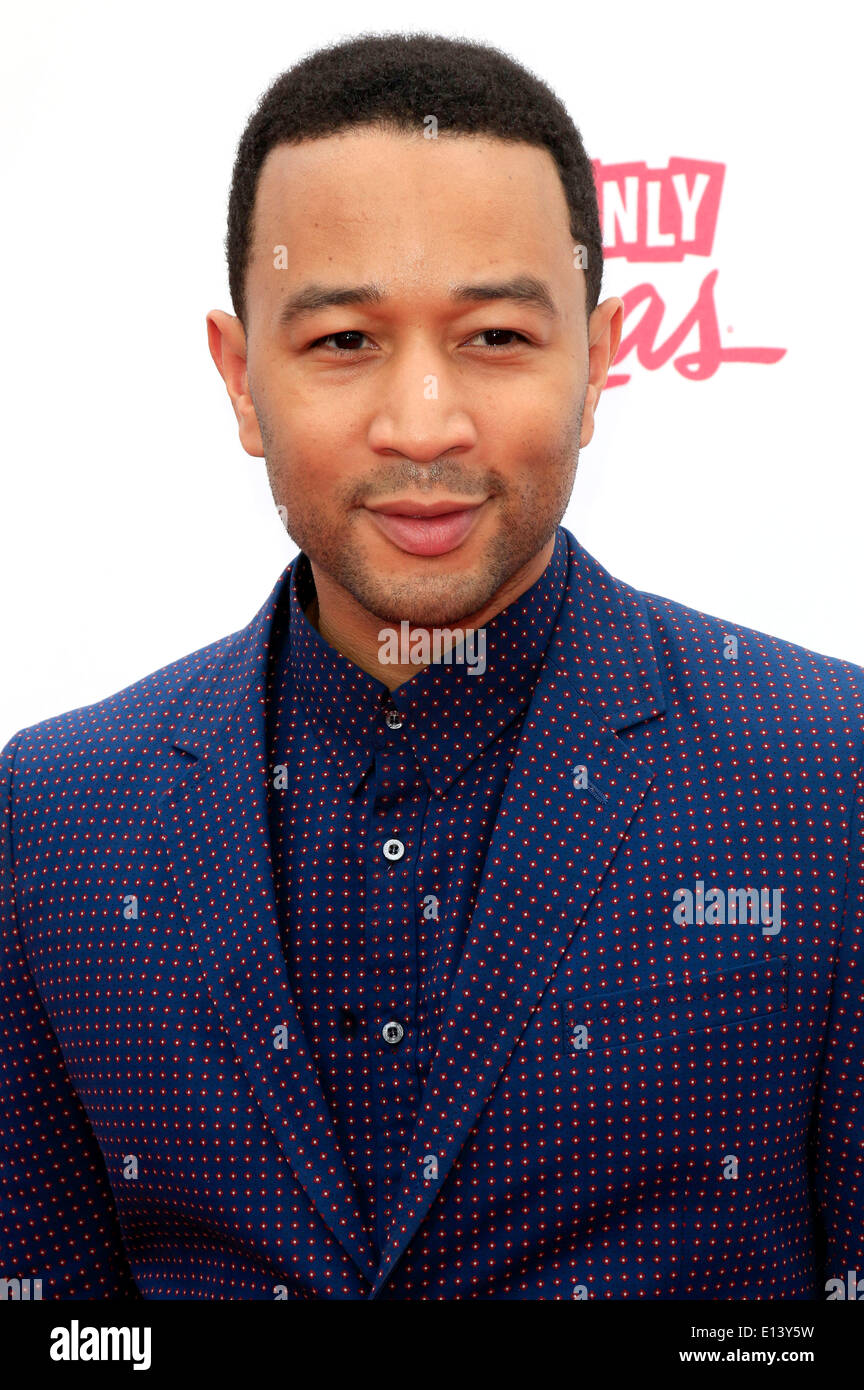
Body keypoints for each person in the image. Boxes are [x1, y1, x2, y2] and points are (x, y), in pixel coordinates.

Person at [2, 32, 862, 1303]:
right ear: (242, 379)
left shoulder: (826, 772)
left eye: (498, 335)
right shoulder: (57, 813)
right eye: (344, 341)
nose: (422, 424)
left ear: (598, 360)